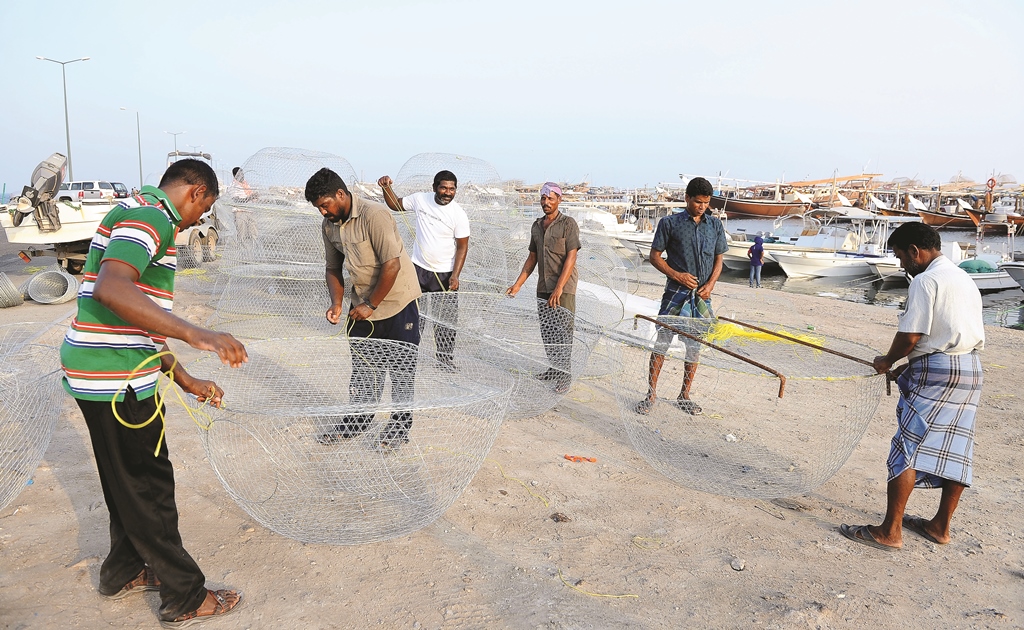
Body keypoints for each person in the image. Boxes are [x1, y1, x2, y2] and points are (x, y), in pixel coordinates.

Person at [60, 159, 247, 626]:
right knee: (150, 486)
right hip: (116, 378)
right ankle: (186, 597)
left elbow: (137, 317)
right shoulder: (152, 218)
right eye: (205, 208)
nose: (199, 221)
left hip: (105, 371)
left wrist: (186, 379)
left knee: (126, 480)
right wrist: (195, 333)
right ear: (196, 192)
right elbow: (112, 288)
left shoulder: (137, 210)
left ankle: (122, 571)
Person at [842, 222, 984, 551]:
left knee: (907, 447)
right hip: (971, 369)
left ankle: (890, 532)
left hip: (938, 372)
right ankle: (940, 527)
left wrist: (888, 360)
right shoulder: (964, 278)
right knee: (957, 447)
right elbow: (947, 338)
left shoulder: (925, 280)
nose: (902, 264)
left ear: (915, 252)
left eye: (901, 257)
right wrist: (910, 364)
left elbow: (912, 336)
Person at [304, 167, 422, 449]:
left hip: (397, 303)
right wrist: (336, 303)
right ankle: (358, 420)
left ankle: (399, 425)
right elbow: (333, 268)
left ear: (341, 194)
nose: (323, 212)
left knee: (401, 369)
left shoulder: (375, 215)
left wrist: (372, 304)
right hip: (363, 305)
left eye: (325, 205)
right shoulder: (329, 226)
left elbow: (391, 264)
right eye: (318, 208)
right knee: (364, 370)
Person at [636, 176, 727, 416]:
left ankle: (684, 395)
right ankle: (650, 394)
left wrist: (711, 284)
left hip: (702, 294)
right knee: (662, 342)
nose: (702, 207)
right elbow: (655, 257)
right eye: (697, 202)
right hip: (675, 292)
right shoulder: (670, 223)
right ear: (686, 198)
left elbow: (719, 259)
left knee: (694, 347)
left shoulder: (715, 226)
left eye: (706, 203)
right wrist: (677, 275)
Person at [377, 170, 470, 370]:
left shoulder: (458, 214)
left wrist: (455, 275)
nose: (447, 192)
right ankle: (409, 355)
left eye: (452, 189)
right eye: (444, 187)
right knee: (412, 316)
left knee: (446, 320)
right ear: (434, 187)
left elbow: (462, 246)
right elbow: (395, 204)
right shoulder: (420, 199)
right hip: (417, 269)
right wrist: (386, 187)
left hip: (445, 273)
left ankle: (444, 359)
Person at [506, 182, 580, 394]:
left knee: (563, 333)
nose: (546, 202)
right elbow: (532, 258)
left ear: (559, 200)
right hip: (543, 286)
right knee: (547, 331)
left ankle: (564, 376)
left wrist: (558, 289)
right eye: (543, 199)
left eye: (551, 198)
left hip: (564, 288)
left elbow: (571, 258)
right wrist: (518, 285)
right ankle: (554, 369)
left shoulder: (568, 224)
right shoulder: (537, 226)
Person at [228, 167, 257, 244]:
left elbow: (251, 196)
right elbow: (237, 200)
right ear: (235, 175)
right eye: (240, 174)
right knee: (242, 234)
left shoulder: (246, 185)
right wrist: (249, 198)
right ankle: (242, 251)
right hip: (240, 213)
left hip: (249, 212)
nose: (242, 176)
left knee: (253, 232)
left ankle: (253, 249)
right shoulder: (233, 186)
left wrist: (254, 197)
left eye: (243, 174)